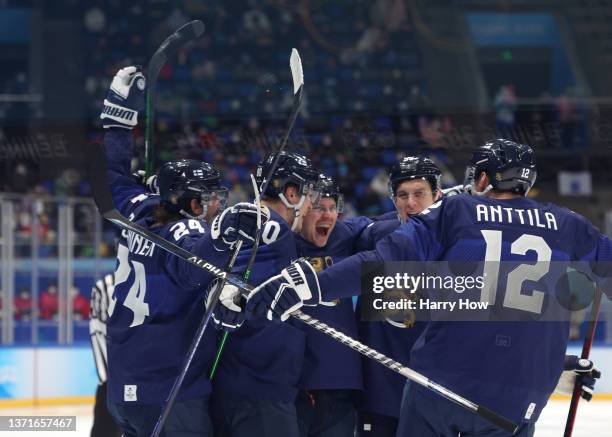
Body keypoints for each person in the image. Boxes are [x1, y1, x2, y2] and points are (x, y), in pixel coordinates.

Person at [246, 139, 611, 436]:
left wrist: (312, 285)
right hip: (520, 398)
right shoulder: (568, 224)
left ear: (482, 180)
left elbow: (384, 261)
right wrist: (554, 364)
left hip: (444, 385)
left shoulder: (458, 212)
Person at [100, 65, 266, 437]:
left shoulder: (137, 208)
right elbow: (193, 264)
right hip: (170, 393)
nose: (216, 207)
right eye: (211, 200)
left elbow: (113, 176)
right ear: (191, 204)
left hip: (123, 389)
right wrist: (223, 236)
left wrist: (117, 117)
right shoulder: (186, 228)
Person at [211, 150, 320, 437]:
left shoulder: (249, 222)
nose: (310, 207)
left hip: (243, 385)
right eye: (309, 195)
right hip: (259, 391)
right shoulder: (275, 231)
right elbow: (237, 293)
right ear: (291, 193)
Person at [355, 157, 442, 437]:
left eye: (419, 194)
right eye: (403, 195)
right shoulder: (376, 236)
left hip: (435, 399)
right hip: (382, 398)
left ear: (437, 196)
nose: (411, 203)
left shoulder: (461, 244)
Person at [294, 174, 372, 437]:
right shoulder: (281, 242)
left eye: (332, 207)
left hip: (341, 382)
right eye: (318, 207)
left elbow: (387, 225)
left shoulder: (345, 235)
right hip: (293, 384)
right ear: (302, 209)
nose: (328, 215)